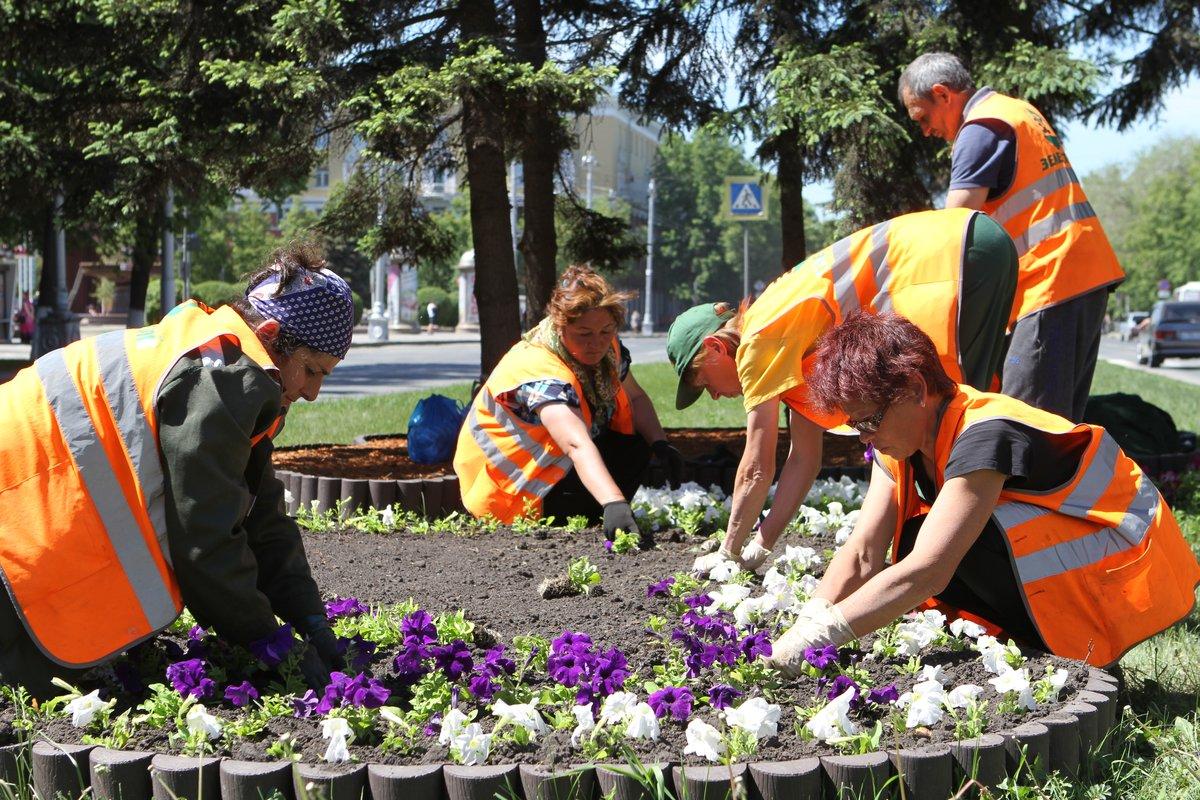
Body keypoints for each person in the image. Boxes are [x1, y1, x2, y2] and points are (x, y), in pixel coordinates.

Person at [0, 243, 354, 698]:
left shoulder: (221, 359)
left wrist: (309, 619)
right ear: (268, 333)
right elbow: (205, 544)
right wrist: (271, 643)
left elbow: (260, 518)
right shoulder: (226, 377)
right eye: (310, 370)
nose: (312, 393)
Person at [765, 311, 1200, 672]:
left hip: (1130, 565)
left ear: (915, 389)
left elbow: (928, 571)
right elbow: (863, 552)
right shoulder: (899, 440)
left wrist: (829, 633)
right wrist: (811, 617)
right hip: (1087, 561)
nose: (864, 437)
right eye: (856, 424)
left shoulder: (984, 435)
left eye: (869, 421)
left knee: (953, 541)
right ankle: (1030, 643)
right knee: (920, 534)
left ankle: (1080, 655)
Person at [674, 208, 1017, 574]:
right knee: (964, 413)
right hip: (972, 243)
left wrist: (728, 552)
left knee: (942, 417)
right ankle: (976, 547)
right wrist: (759, 546)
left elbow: (757, 468)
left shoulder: (758, 342)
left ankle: (950, 560)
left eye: (703, 382)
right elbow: (804, 459)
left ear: (714, 347)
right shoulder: (783, 342)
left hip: (945, 259)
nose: (712, 395)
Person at [898, 53, 1124, 421]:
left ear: (942, 94)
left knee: (1024, 424)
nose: (926, 131)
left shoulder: (982, 128)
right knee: (1059, 424)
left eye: (922, 117)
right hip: (1082, 275)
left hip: (1050, 282)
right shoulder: (1015, 110)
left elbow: (954, 231)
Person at [455, 265, 683, 543]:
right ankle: (598, 516)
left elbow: (634, 396)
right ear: (561, 327)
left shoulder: (608, 349)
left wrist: (661, 444)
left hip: (553, 469)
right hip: (510, 496)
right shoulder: (538, 369)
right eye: (584, 334)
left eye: (605, 331)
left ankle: (599, 515)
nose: (596, 343)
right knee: (606, 461)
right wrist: (613, 502)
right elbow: (575, 443)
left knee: (633, 446)